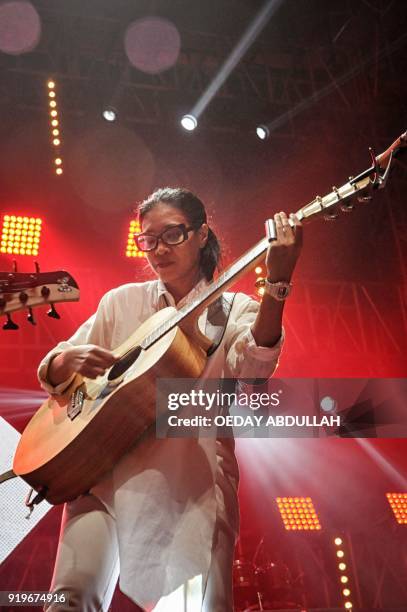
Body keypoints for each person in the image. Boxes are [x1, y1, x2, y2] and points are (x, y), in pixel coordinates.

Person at [38, 187, 302, 611]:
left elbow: (254, 370)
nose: (157, 249)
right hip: (103, 473)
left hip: (190, 482)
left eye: (171, 235)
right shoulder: (121, 302)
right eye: (148, 239)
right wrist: (67, 358)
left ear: (201, 235)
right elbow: (51, 372)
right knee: (69, 600)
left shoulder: (234, 310)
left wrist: (278, 281)